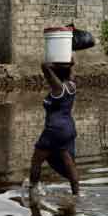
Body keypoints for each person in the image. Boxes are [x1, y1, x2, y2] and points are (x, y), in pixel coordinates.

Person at [29, 56, 79, 198]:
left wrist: (54, 60)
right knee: (69, 162)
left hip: (54, 130)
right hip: (68, 129)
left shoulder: (59, 88)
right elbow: (71, 64)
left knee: (36, 161)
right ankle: (77, 193)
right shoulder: (72, 85)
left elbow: (44, 66)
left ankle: (33, 191)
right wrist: (66, 58)